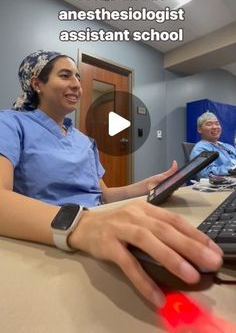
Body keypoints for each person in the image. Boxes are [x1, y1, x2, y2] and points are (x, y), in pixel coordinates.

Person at [0, 51, 222, 307]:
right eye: (65, 75)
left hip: (100, 228)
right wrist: (81, 224)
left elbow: (103, 194)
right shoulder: (10, 124)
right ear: (36, 84)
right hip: (56, 238)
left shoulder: (84, 141)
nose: (76, 84)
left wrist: (145, 187)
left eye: (78, 77)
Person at [190, 111, 236, 178]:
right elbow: (205, 173)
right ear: (199, 129)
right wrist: (230, 170)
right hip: (223, 185)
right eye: (209, 124)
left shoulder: (229, 146)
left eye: (217, 124)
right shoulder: (200, 149)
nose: (215, 127)